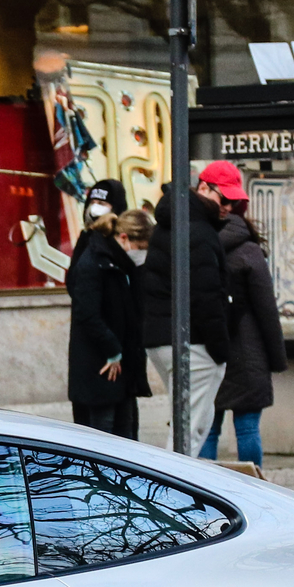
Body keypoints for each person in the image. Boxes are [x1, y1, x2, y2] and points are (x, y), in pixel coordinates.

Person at [141, 159, 241, 454]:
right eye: (225, 198)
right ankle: (173, 496)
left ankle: (171, 490)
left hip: (163, 337)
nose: (228, 207)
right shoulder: (197, 231)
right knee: (190, 432)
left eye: (234, 202)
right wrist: (221, 351)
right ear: (204, 188)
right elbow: (206, 296)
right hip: (192, 342)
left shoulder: (171, 222)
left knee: (185, 426)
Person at [202, 197, 287, 466]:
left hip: (209, 348)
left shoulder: (200, 247)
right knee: (248, 428)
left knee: (208, 427)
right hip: (248, 354)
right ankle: (256, 490)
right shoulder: (249, 252)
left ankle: (204, 488)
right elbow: (266, 309)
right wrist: (277, 358)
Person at [65, 179, 145, 438]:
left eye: (103, 203)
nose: (96, 209)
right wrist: (113, 350)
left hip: (119, 367)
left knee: (125, 437)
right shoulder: (93, 254)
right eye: (94, 202)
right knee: (102, 440)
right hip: (99, 367)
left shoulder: (117, 257)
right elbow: (85, 308)